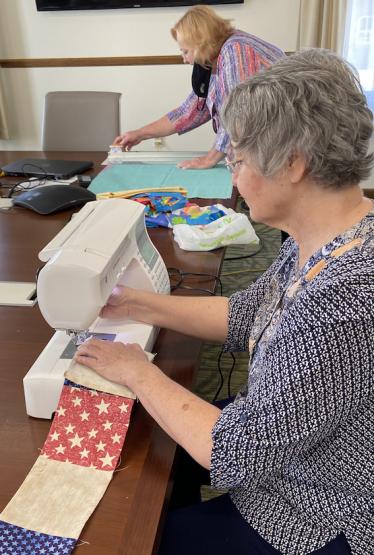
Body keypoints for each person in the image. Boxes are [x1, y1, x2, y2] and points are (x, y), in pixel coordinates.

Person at [75, 49, 374, 554]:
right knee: (149, 443)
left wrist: (137, 371)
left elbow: (236, 451)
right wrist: (139, 305)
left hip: (316, 511)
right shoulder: (327, 238)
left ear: (293, 162)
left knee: (117, 537)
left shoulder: (344, 296)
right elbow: (246, 313)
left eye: (237, 159)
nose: (233, 174)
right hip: (287, 447)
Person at [112, 5, 284, 169]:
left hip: (283, 146)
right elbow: (190, 111)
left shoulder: (236, 51)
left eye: (185, 51)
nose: (185, 60)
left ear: (202, 44)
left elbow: (238, 116)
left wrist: (210, 159)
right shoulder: (214, 58)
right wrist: (139, 134)